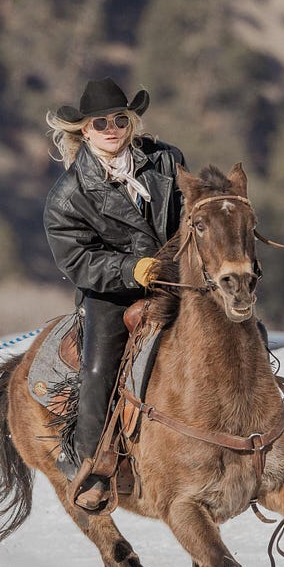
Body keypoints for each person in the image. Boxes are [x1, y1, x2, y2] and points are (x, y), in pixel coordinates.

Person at [44, 77, 185, 512]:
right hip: (112, 293)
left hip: (177, 277)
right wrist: (132, 269)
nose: (111, 128)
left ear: (130, 122)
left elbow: (190, 214)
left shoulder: (168, 159)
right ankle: (92, 466)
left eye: (119, 120)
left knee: (243, 327)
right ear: (83, 130)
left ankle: (274, 434)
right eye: (100, 122)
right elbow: (77, 261)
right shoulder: (67, 195)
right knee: (98, 369)